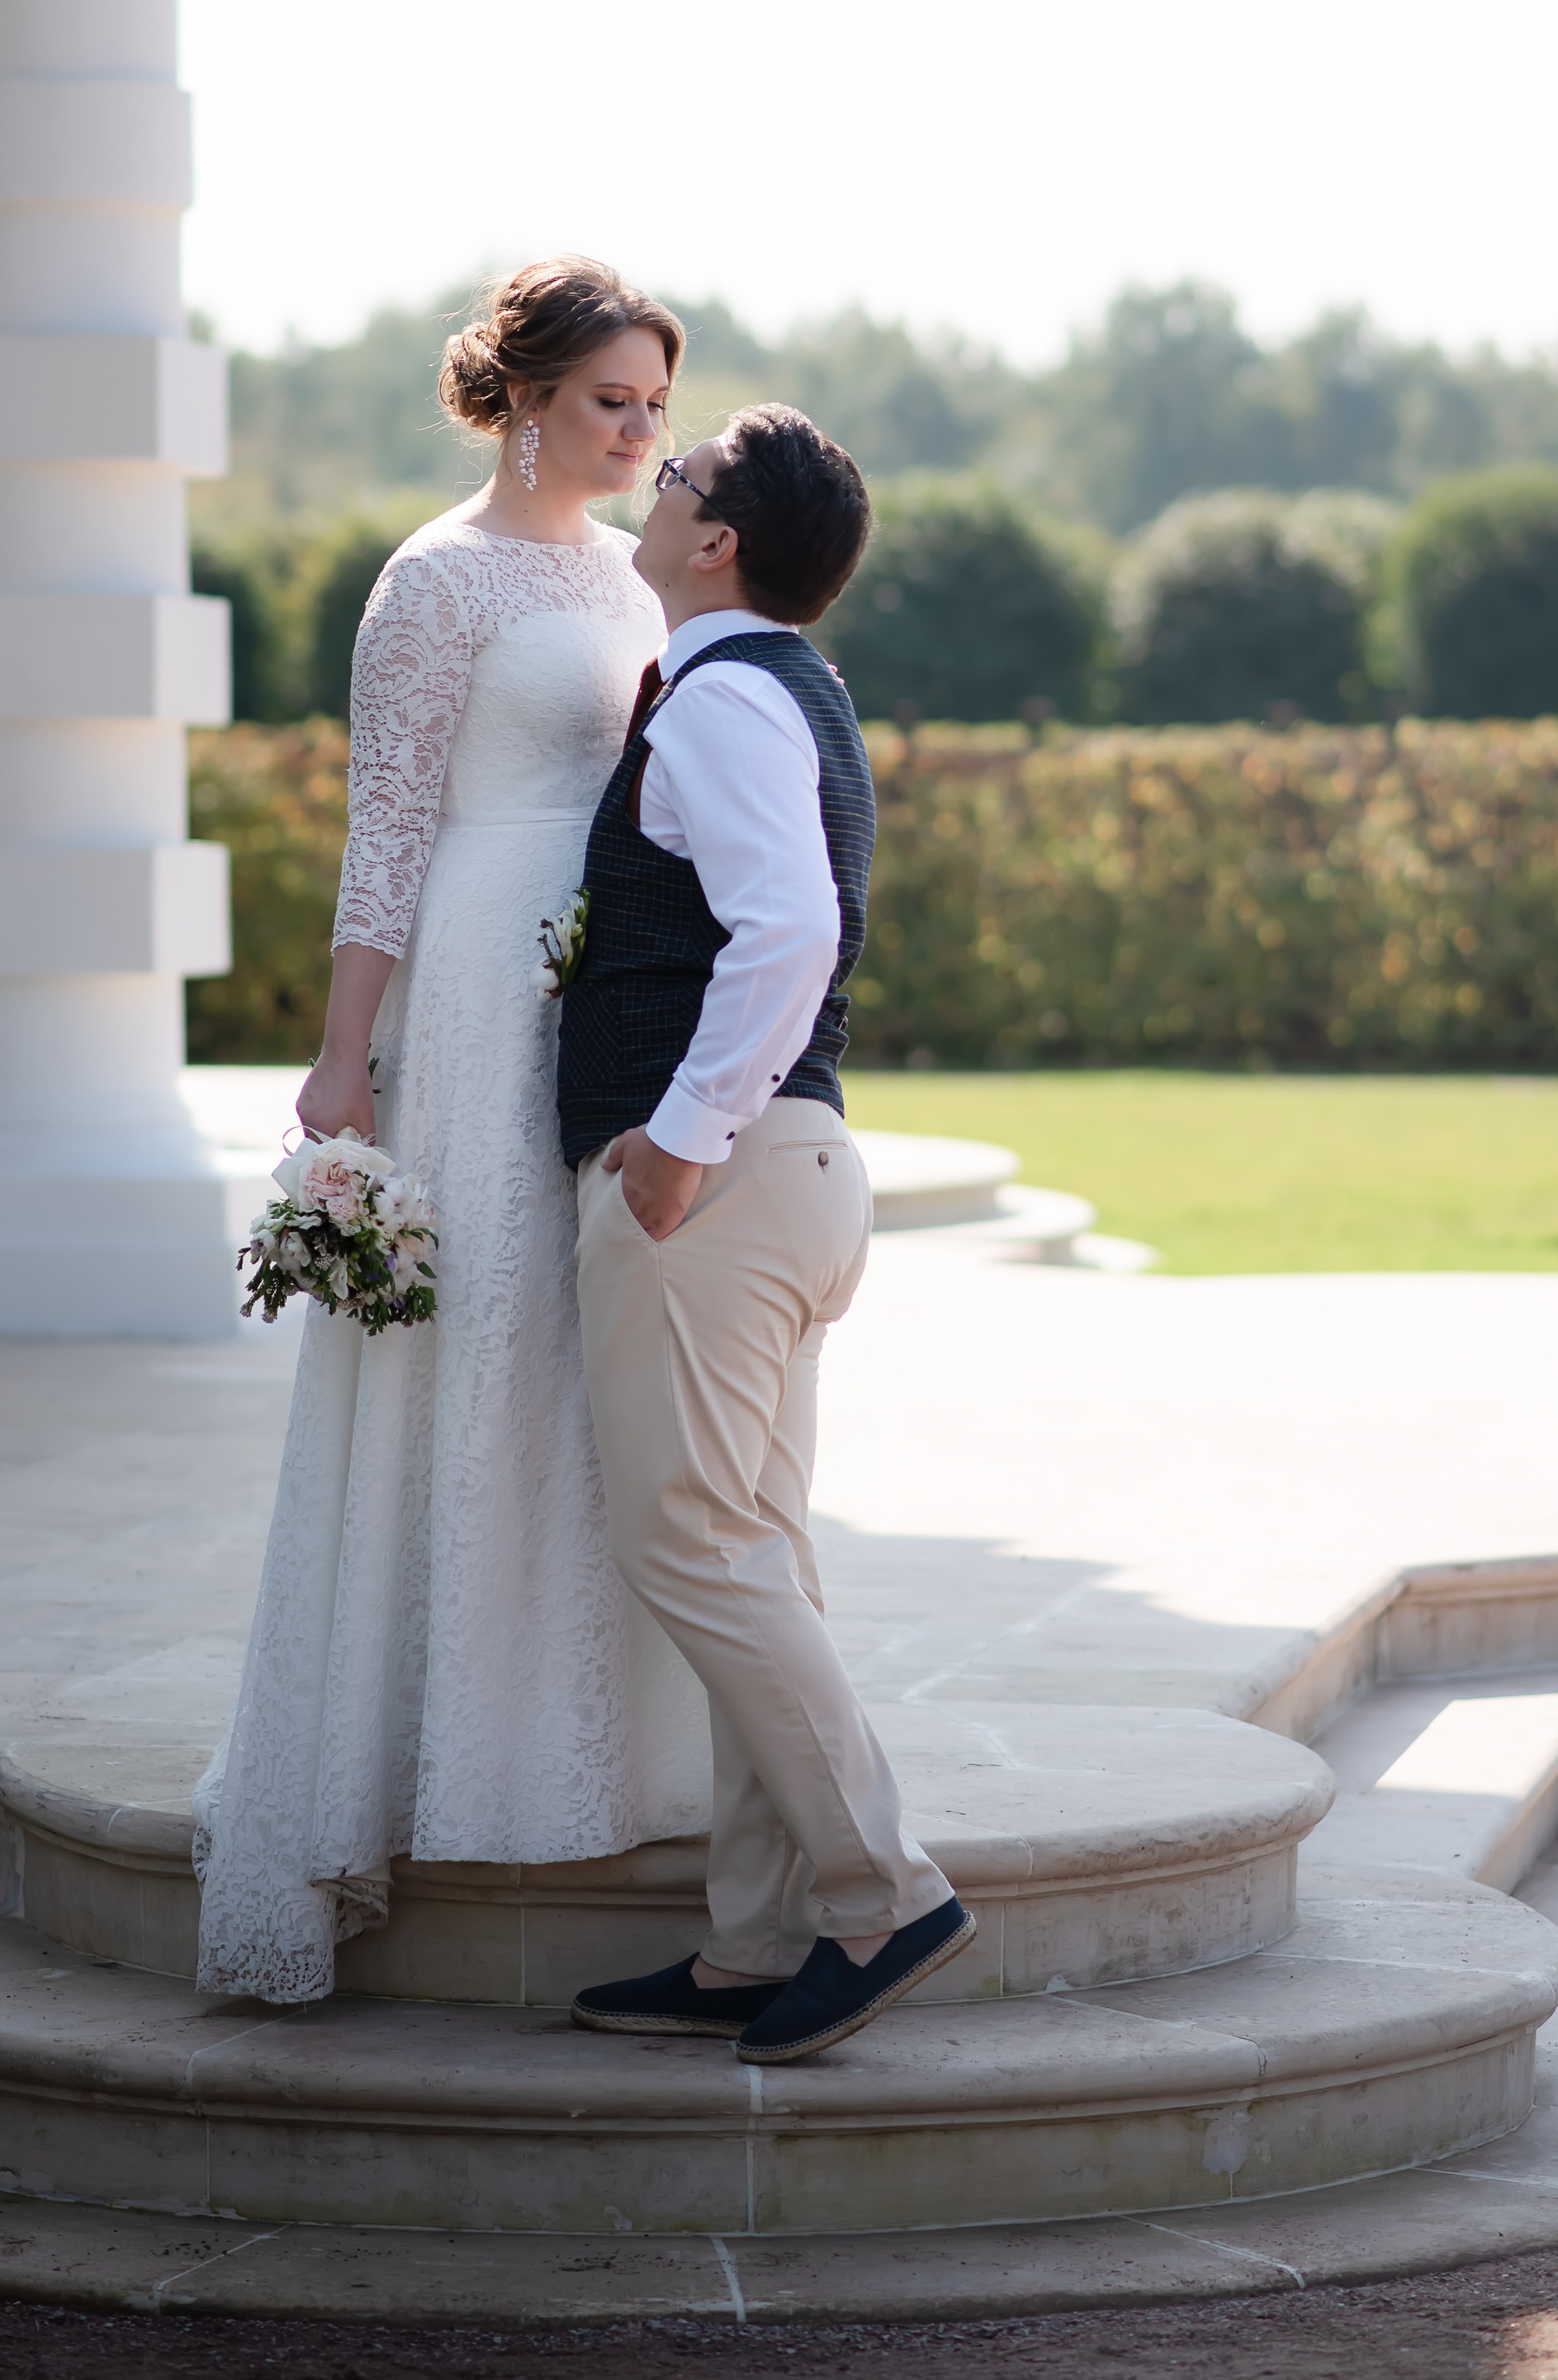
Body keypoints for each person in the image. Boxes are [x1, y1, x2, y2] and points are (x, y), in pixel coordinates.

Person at [193, 258, 708, 2004]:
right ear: (524, 400)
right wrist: (347, 1064)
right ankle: (410, 1756)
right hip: (479, 995)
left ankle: (583, 1745)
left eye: (654, 406)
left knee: (581, 1346)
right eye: (609, 403)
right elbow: (390, 826)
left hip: (607, 991)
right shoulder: (434, 579)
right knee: (471, 1335)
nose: (638, 433)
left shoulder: (640, 576)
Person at [560, 409, 974, 2064]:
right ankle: (748, 1943)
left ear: (715, 537)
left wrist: (677, 1136)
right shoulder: (775, 688)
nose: (651, 488)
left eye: (674, 477)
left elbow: (785, 925)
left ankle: (882, 1893)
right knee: (750, 1552)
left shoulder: (724, 696)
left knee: (691, 1546)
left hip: (725, 1186)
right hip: (791, 1177)